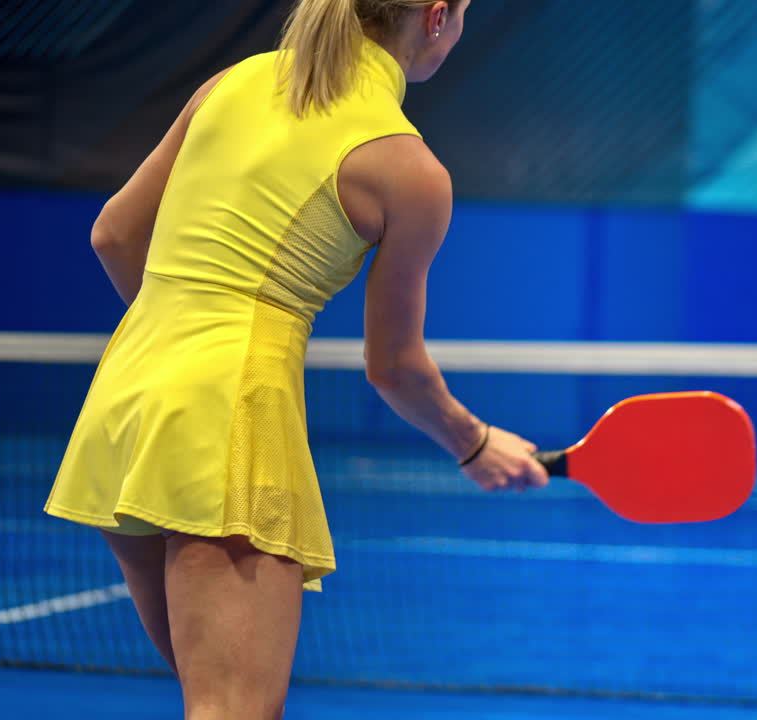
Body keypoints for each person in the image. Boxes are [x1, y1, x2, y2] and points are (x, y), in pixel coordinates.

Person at [44, 1, 547, 717]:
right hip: (228, 418)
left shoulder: (229, 85)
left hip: (125, 399)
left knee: (221, 703)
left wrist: (179, 359)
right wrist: (473, 443)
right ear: (436, 17)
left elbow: (115, 236)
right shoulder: (409, 168)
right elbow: (394, 366)